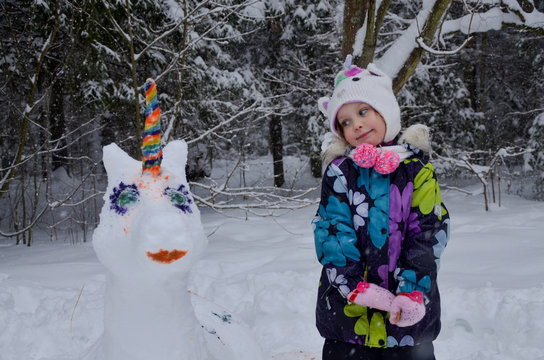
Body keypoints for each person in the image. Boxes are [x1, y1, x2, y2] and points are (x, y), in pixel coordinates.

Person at [312, 56, 450, 360]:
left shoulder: (417, 172)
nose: (356, 124)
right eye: (345, 122)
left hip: (407, 326)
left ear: (385, 112)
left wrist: (412, 290)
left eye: (363, 111)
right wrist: (355, 287)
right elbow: (332, 231)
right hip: (347, 319)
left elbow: (428, 232)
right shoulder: (340, 173)